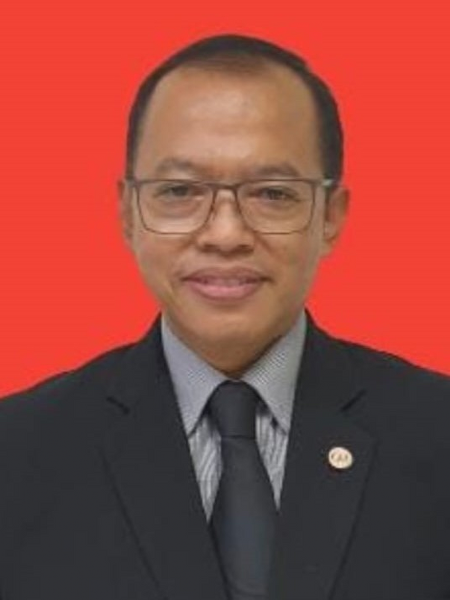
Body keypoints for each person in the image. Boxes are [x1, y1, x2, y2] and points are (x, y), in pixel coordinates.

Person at [0, 33, 449, 600]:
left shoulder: (437, 432)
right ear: (129, 213)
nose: (225, 233)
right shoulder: (17, 453)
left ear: (330, 216)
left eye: (273, 194)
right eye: (179, 190)